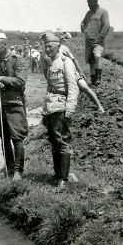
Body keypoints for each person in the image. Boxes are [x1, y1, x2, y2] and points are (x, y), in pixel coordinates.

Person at [42, 32, 80, 188]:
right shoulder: (50, 62)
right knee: (54, 141)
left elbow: (73, 87)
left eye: (50, 46)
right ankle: (57, 174)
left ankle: (63, 179)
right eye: (46, 46)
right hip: (51, 106)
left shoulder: (66, 62)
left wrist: (70, 107)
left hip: (62, 105)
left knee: (62, 141)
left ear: (58, 45)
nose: (48, 49)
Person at [0, 32, 28, 181]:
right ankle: (9, 169)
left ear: (5, 45)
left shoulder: (17, 60)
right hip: (0, 103)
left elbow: (21, 82)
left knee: (17, 137)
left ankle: (18, 171)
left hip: (14, 103)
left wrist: (3, 79)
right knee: (3, 137)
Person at [56, 32, 105, 113]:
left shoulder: (63, 48)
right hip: (61, 75)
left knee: (85, 88)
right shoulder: (50, 52)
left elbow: (74, 60)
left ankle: (99, 106)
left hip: (72, 73)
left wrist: (80, 71)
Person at [80, 0, 110, 86]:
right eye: (88, 3)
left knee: (97, 56)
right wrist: (85, 31)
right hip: (89, 40)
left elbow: (107, 25)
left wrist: (100, 37)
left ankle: (98, 78)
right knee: (91, 60)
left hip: (98, 41)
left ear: (95, 2)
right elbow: (82, 23)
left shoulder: (103, 12)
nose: (88, 5)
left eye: (90, 3)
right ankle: (93, 80)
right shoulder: (88, 13)